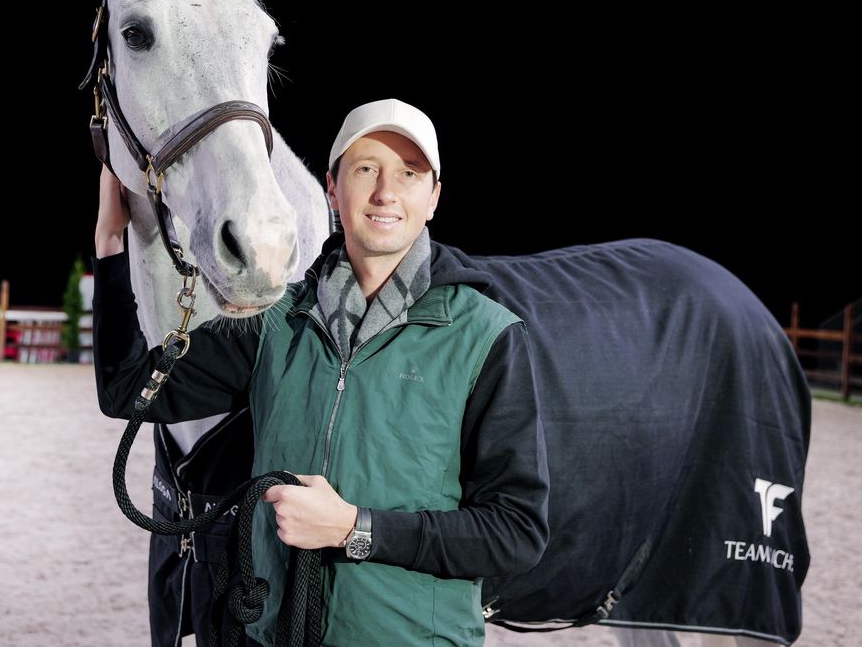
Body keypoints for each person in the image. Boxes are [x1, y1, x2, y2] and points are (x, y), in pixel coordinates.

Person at [92, 99, 549, 646]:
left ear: (434, 198)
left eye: (409, 174)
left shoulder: (488, 336)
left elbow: (516, 533)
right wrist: (110, 244)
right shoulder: (271, 323)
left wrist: (356, 530)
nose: (386, 192)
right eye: (366, 169)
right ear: (332, 189)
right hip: (274, 634)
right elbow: (129, 391)